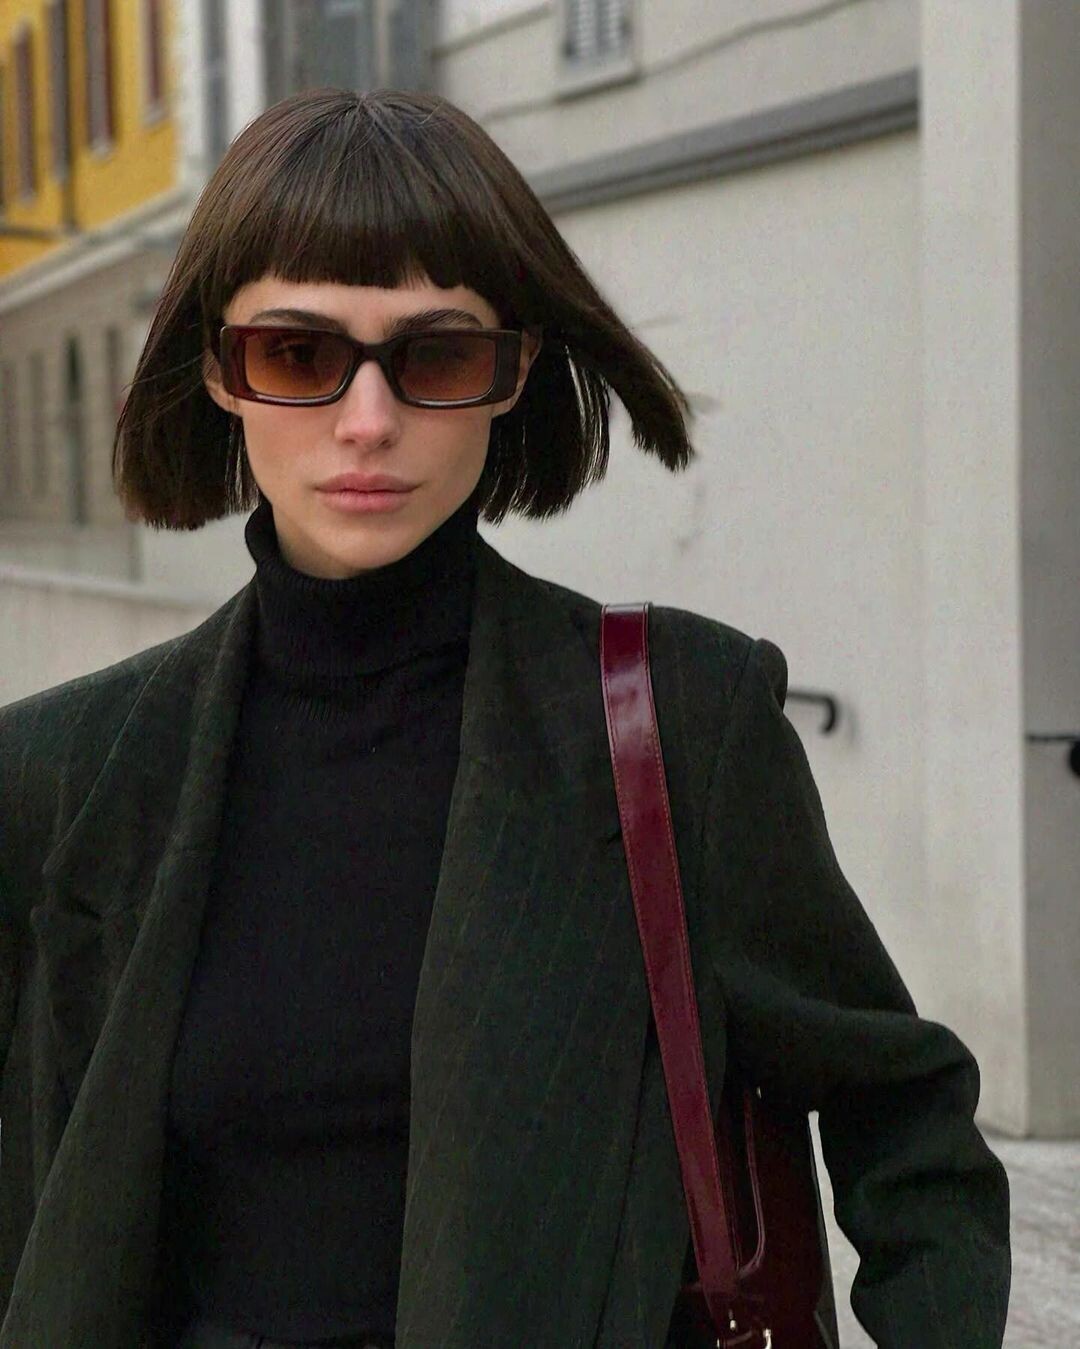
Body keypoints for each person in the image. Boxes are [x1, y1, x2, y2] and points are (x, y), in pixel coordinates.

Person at [0, 88, 1009, 1349]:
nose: (368, 421)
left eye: (435, 355)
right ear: (219, 369)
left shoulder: (680, 726)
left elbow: (907, 1120)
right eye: (300, 354)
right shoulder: (53, 776)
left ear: (513, 370)